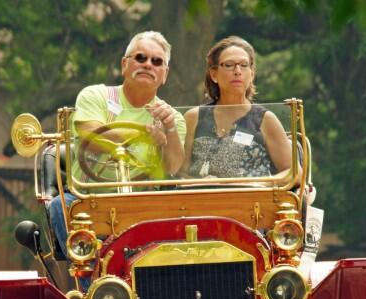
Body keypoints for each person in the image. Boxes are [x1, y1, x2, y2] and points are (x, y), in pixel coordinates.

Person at [49, 31, 186, 255]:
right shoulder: (96, 95)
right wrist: (143, 135)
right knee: (60, 206)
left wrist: (168, 129)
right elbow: (89, 134)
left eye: (157, 61)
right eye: (140, 58)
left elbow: (173, 167)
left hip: (144, 205)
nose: (148, 65)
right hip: (90, 201)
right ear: (125, 64)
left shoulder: (172, 118)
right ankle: (96, 286)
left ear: (165, 74)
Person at [182, 36, 292, 180]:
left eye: (244, 65)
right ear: (214, 74)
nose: (237, 71)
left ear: (251, 74)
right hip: (202, 199)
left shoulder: (265, 119)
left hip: (252, 200)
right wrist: (199, 184)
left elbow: (293, 172)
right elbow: (180, 172)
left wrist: (259, 184)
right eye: (229, 65)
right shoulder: (193, 117)